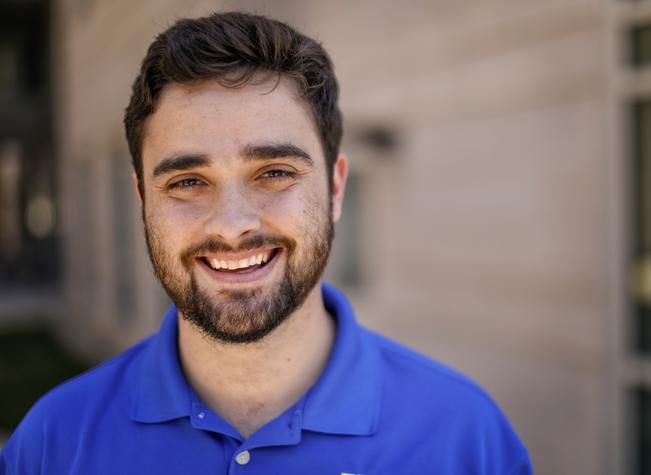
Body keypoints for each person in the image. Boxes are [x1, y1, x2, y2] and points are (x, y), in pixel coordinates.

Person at [0, 11, 532, 474]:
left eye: (274, 172)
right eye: (186, 182)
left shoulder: (465, 439)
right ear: (143, 200)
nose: (232, 226)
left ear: (335, 187)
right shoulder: (52, 444)